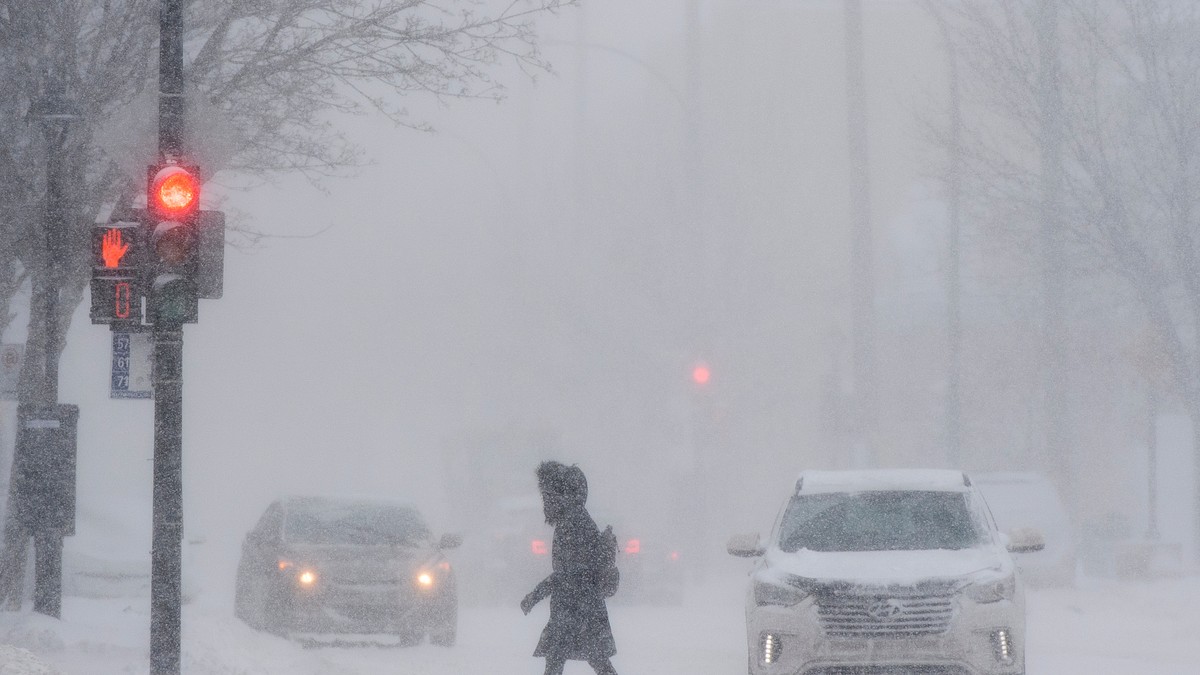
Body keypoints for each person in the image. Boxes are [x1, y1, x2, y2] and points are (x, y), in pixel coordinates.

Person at [521, 461, 618, 675]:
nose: (545, 502)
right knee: (593, 661)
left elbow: (568, 573)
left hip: (575, 607)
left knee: (560, 661)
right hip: (581, 605)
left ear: (559, 495)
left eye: (547, 496)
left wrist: (535, 595)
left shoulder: (572, 523)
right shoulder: (576, 519)